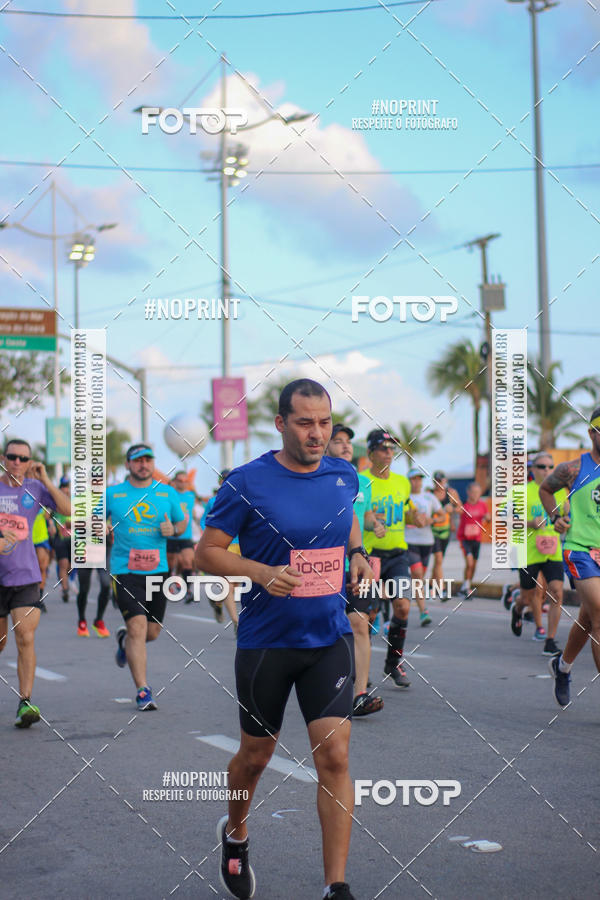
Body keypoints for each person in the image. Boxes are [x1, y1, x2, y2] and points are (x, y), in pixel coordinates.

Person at [195, 378, 372, 900]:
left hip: (328, 637)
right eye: (305, 423)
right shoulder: (247, 482)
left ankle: (334, 885)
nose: (318, 434)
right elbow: (208, 552)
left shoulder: (344, 473)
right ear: (280, 423)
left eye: (324, 422)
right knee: (254, 756)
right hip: (267, 641)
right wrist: (259, 571)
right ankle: (236, 831)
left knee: (335, 756)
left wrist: (358, 554)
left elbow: (349, 519)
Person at [106, 444, 187, 710]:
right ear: (128, 465)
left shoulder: (166, 492)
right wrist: (101, 526)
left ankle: (124, 641)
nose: (143, 465)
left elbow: (182, 522)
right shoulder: (113, 494)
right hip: (125, 571)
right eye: (137, 461)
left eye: (148, 460)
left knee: (151, 632)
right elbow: (91, 521)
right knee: (137, 628)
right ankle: (143, 691)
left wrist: (173, 529)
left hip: (158, 570)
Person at [0, 439, 70, 727]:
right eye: (12, 457)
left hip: (26, 576)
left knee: (25, 637)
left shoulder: (37, 488)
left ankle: (25, 701)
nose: (17, 462)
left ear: (30, 462)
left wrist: (46, 480)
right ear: (4, 459)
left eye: (23, 458)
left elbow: (69, 510)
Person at [541, 408, 600, 707]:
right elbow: (545, 489)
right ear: (591, 433)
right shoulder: (573, 469)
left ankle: (562, 667)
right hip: (579, 548)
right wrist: (555, 517)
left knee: (589, 618)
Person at [326, 422, 383, 717]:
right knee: (333, 629)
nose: (345, 445)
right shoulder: (317, 479)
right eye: (337, 441)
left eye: (348, 440)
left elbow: (365, 514)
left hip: (357, 562)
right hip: (325, 566)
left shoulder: (362, 482)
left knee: (360, 623)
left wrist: (377, 523)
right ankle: (329, 683)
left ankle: (359, 693)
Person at [362, 430, 426, 688]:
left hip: (398, 554)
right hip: (370, 557)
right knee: (369, 613)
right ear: (370, 454)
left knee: (403, 607)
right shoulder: (361, 481)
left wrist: (417, 518)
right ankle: (361, 669)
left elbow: (408, 512)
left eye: (391, 449)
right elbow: (359, 516)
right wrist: (371, 523)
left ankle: (393, 662)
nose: (389, 452)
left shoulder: (402, 482)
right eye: (383, 448)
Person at [508, 452, 567, 654]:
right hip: (528, 551)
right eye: (542, 466)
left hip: (553, 551)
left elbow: (568, 516)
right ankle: (517, 610)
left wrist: (566, 524)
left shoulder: (560, 493)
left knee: (556, 592)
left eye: (550, 467)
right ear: (532, 469)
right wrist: (530, 523)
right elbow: (506, 522)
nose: (547, 470)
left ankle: (549, 640)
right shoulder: (520, 492)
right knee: (527, 597)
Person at [201, 469, 239, 628]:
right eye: (223, 480)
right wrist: (211, 537)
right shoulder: (213, 501)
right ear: (219, 482)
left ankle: (217, 600)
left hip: (240, 545)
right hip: (223, 546)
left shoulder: (241, 498)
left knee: (235, 584)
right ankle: (237, 622)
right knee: (228, 584)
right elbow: (204, 521)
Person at [405, 467, 443, 626]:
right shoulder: (405, 497)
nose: (417, 482)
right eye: (414, 479)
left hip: (427, 542)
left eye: (419, 479)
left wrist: (431, 520)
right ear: (409, 481)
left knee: (419, 579)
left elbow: (442, 515)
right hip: (410, 541)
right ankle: (423, 612)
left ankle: (415, 596)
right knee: (418, 574)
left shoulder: (429, 497)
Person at [167, 470, 198, 602]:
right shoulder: (170, 495)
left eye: (186, 481)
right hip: (171, 535)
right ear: (175, 481)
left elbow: (194, 514)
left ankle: (187, 590)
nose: (183, 483)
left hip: (186, 536)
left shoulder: (191, 496)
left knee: (188, 562)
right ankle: (167, 586)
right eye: (180, 480)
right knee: (170, 564)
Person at [456, 482, 490, 598]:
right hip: (465, 539)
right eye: (473, 492)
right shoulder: (464, 506)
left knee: (474, 565)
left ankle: (466, 586)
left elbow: (487, 516)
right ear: (468, 492)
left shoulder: (482, 505)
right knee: (469, 563)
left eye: (477, 492)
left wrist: (488, 518)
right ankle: (465, 586)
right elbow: (457, 511)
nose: (475, 494)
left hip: (477, 538)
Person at [428, 471, 460, 594]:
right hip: (432, 530)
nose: (438, 483)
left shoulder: (451, 493)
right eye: (436, 481)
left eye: (440, 481)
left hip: (445, 530)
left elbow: (460, 508)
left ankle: (431, 584)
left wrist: (452, 509)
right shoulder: (429, 494)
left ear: (445, 481)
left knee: (439, 561)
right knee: (438, 558)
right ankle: (441, 588)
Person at [52, 475, 73, 603]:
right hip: (60, 537)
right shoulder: (56, 499)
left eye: (67, 486)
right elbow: (47, 515)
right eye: (63, 486)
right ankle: (65, 589)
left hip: (74, 538)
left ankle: (64, 579)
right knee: (63, 564)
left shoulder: (75, 500)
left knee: (70, 566)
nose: (66, 489)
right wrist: (50, 525)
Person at [32, 509, 52, 612]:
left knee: (42, 567)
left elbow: (48, 514)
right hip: (26, 538)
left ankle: (40, 597)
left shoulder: (41, 495)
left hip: (41, 538)